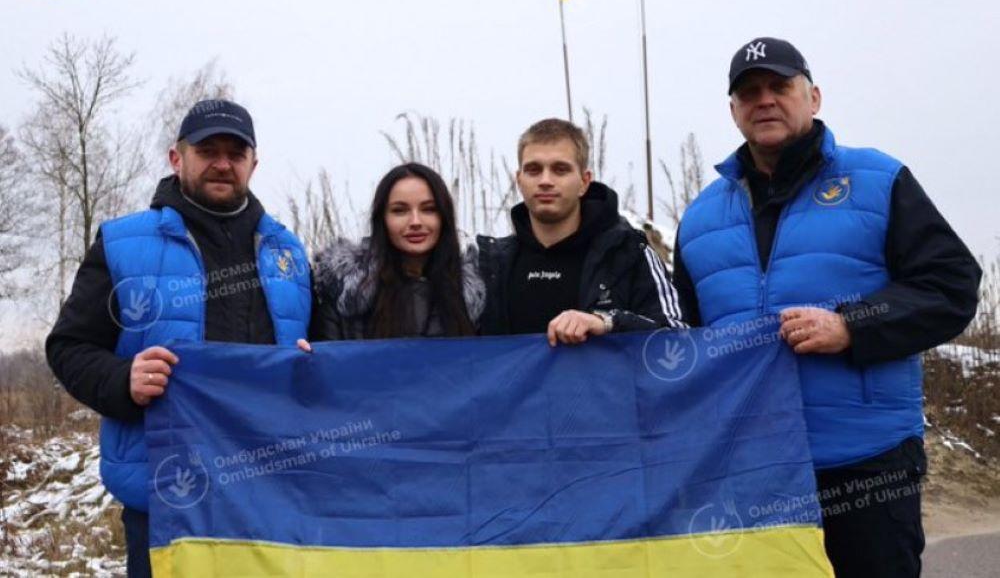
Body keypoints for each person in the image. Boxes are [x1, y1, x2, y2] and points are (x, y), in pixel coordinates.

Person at [672, 37, 981, 577]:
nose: (764, 100)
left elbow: (952, 286)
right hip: (755, 474)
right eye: (749, 92)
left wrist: (853, 326)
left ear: (813, 97)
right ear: (733, 112)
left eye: (779, 86)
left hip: (867, 466)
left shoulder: (878, 180)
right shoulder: (698, 221)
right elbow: (687, 343)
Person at [45, 100, 312, 578]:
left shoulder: (288, 252)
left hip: (271, 495)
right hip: (168, 498)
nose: (223, 163)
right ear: (176, 157)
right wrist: (122, 378)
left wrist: (314, 363)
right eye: (207, 149)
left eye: (236, 152)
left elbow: (316, 352)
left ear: (254, 162)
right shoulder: (122, 243)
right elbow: (68, 348)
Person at [478, 117, 685, 345]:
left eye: (560, 169)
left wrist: (606, 322)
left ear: (584, 181)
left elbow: (678, 339)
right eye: (534, 170)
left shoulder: (629, 253)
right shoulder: (491, 264)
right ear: (519, 179)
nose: (545, 180)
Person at [308, 162, 483, 340]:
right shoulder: (344, 293)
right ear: (382, 219)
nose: (415, 221)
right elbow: (325, 361)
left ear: (444, 218)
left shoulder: (475, 298)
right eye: (400, 211)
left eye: (428, 209)